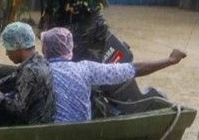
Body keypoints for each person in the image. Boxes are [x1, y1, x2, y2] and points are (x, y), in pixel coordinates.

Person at [41, 27, 187, 122]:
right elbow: (135, 69)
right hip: (81, 132)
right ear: (70, 47)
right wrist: (170, 60)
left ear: (45, 50)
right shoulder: (86, 69)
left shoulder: (38, 71)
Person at [0, 22, 55, 125]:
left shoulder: (31, 71)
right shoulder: (40, 61)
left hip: (30, 132)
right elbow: (10, 80)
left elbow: (17, 109)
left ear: (18, 46)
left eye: (8, 48)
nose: (6, 53)